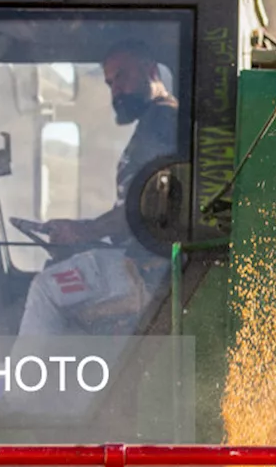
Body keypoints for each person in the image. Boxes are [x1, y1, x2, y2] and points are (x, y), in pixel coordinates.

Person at [16, 40, 182, 339]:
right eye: (110, 83)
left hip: (150, 269)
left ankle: (21, 387)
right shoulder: (153, 124)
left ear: (152, 71)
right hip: (142, 261)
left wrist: (86, 231)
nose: (115, 90)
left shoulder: (163, 120)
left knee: (48, 289)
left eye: (122, 76)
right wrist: (85, 236)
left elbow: (152, 206)